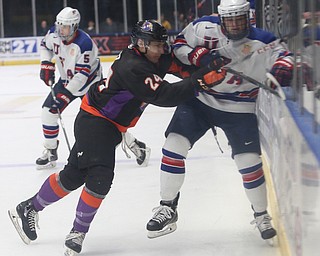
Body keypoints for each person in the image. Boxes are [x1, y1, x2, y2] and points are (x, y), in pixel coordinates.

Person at [8, 19, 227, 255]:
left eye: (161, 44)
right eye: (156, 45)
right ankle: (77, 233)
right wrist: (201, 80)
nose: (161, 49)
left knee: (73, 175)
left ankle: (29, 207)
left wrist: (205, 65)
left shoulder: (153, 55)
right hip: (96, 120)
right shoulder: (133, 66)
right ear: (141, 44)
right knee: (100, 176)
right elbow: (166, 95)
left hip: (109, 123)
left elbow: (178, 65)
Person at [146, 0, 294, 242]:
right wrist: (197, 55)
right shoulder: (204, 27)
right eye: (230, 20)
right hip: (200, 99)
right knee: (173, 146)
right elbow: (179, 45)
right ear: (221, 18)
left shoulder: (263, 41)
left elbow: (285, 57)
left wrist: (282, 68)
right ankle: (167, 206)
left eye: (240, 19)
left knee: (249, 164)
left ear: (249, 16)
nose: (235, 25)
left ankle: (261, 215)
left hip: (240, 107)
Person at [35, 7, 149, 169]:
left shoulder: (85, 44)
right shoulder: (53, 34)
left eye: (65, 27)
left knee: (105, 122)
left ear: (74, 26)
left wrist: (66, 94)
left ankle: (136, 146)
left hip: (90, 85)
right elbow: (44, 45)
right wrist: (46, 63)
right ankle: (51, 150)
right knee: (48, 111)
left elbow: (82, 75)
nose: (61, 30)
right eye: (59, 26)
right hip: (67, 81)